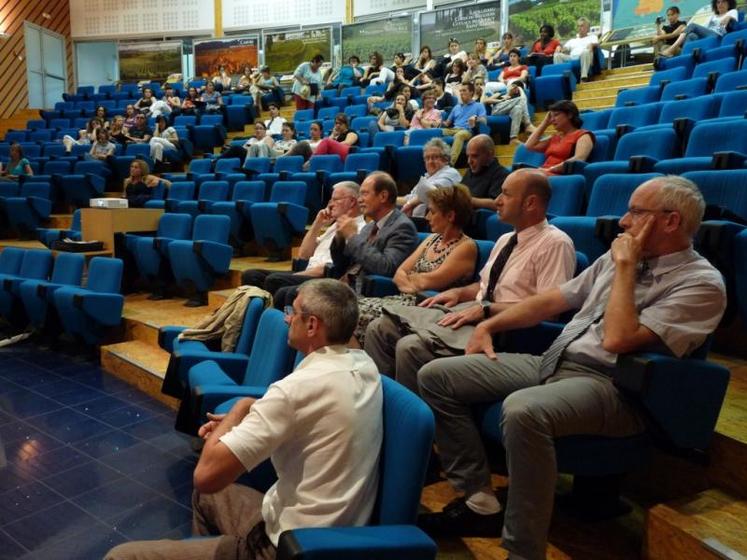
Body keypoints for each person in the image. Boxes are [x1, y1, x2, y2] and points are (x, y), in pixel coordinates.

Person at [414, 176, 726, 560]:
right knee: (436, 376)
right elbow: (553, 300)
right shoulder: (614, 259)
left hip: (614, 388)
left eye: (635, 212)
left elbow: (617, 339)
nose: (623, 222)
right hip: (556, 361)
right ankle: (479, 499)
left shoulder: (702, 283)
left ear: (671, 221)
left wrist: (626, 268)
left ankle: (523, 551)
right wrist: (488, 322)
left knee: (523, 409)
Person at [105, 279, 384, 560]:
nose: (287, 318)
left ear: (312, 325)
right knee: (209, 500)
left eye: (293, 311)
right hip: (329, 531)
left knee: (121, 556)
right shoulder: (365, 365)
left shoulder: (294, 390)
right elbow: (308, 418)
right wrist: (253, 416)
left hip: (286, 548)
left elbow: (206, 477)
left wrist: (240, 410)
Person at [364, 168, 576, 393]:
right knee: (380, 328)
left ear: (530, 203)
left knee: (411, 347)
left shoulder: (555, 243)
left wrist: (486, 310)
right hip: (472, 311)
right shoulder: (505, 239)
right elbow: (485, 286)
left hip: (504, 330)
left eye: (506, 194)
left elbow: (549, 311)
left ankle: (413, 421)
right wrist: (460, 293)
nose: (498, 201)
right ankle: (379, 403)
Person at [355, 185, 478, 346]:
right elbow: (399, 273)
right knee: (347, 309)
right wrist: (412, 282)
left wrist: (411, 280)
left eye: (432, 212)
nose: (427, 217)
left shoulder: (466, 247)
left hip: (428, 309)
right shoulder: (431, 239)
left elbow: (430, 282)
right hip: (402, 300)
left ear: (450, 216)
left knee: (357, 315)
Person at [242, 182, 364, 299]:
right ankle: (256, 314)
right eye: (331, 200)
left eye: (335, 199)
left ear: (352, 201)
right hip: (308, 272)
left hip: (323, 278)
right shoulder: (334, 226)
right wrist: (318, 223)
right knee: (251, 275)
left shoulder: (359, 227)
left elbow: (330, 268)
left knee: (275, 280)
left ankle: (274, 317)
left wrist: (294, 276)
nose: (330, 204)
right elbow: (304, 254)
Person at [525, 100, 594, 175]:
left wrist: (550, 169)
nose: (552, 120)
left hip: (559, 175)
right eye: (551, 117)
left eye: (556, 115)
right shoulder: (555, 137)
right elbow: (529, 146)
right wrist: (544, 123)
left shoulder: (583, 135)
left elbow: (579, 158)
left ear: (569, 115)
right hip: (544, 173)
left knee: (521, 177)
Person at [401, 138, 462, 217]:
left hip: (429, 222)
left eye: (435, 157)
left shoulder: (451, 173)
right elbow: (409, 198)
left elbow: (431, 191)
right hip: (413, 219)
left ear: (446, 159)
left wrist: (410, 204)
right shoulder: (427, 177)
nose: (430, 162)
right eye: (427, 158)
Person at [661, 0, 737, 57]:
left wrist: (728, 17)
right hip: (707, 36)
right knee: (691, 35)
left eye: (723, 2)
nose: (720, 4)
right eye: (718, 2)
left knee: (692, 26)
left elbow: (734, 19)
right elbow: (703, 27)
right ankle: (684, 56)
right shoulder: (713, 16)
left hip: (718, 36)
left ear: (729, 3)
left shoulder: (732, 12)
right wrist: (687, 30)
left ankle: (671, 49)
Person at [441, 82, 487, 166]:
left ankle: (450, 163)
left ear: (471, 92)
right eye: (460, 91)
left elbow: (484, 120)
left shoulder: (479, 105)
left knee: (460, 135)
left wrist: (475, 118)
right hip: (453, 129)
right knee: (437, 132)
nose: (461, 93)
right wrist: (438, 122)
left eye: (464, 90)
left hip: (467, 130)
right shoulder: (456, 107)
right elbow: (447, 123)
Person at [461, 135, 510, 211]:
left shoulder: (502, 174)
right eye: (468, 156)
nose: (469, 161)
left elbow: (497, 203)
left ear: (490, 154)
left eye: (475, 156)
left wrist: (465, 200)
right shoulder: (470, 171)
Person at [553, 17, 599, 81]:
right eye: (578, 26)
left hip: (585, 56)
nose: (579, 28)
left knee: (585, 51)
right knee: (557, 55)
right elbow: (564, 49)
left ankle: (584, 77)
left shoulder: (592, 37)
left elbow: (597, 44)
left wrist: (592, 45)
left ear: (587, 28)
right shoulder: (573, 40)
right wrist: (559, 47)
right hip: (572, 57)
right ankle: (560, 77)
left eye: (582, 26)